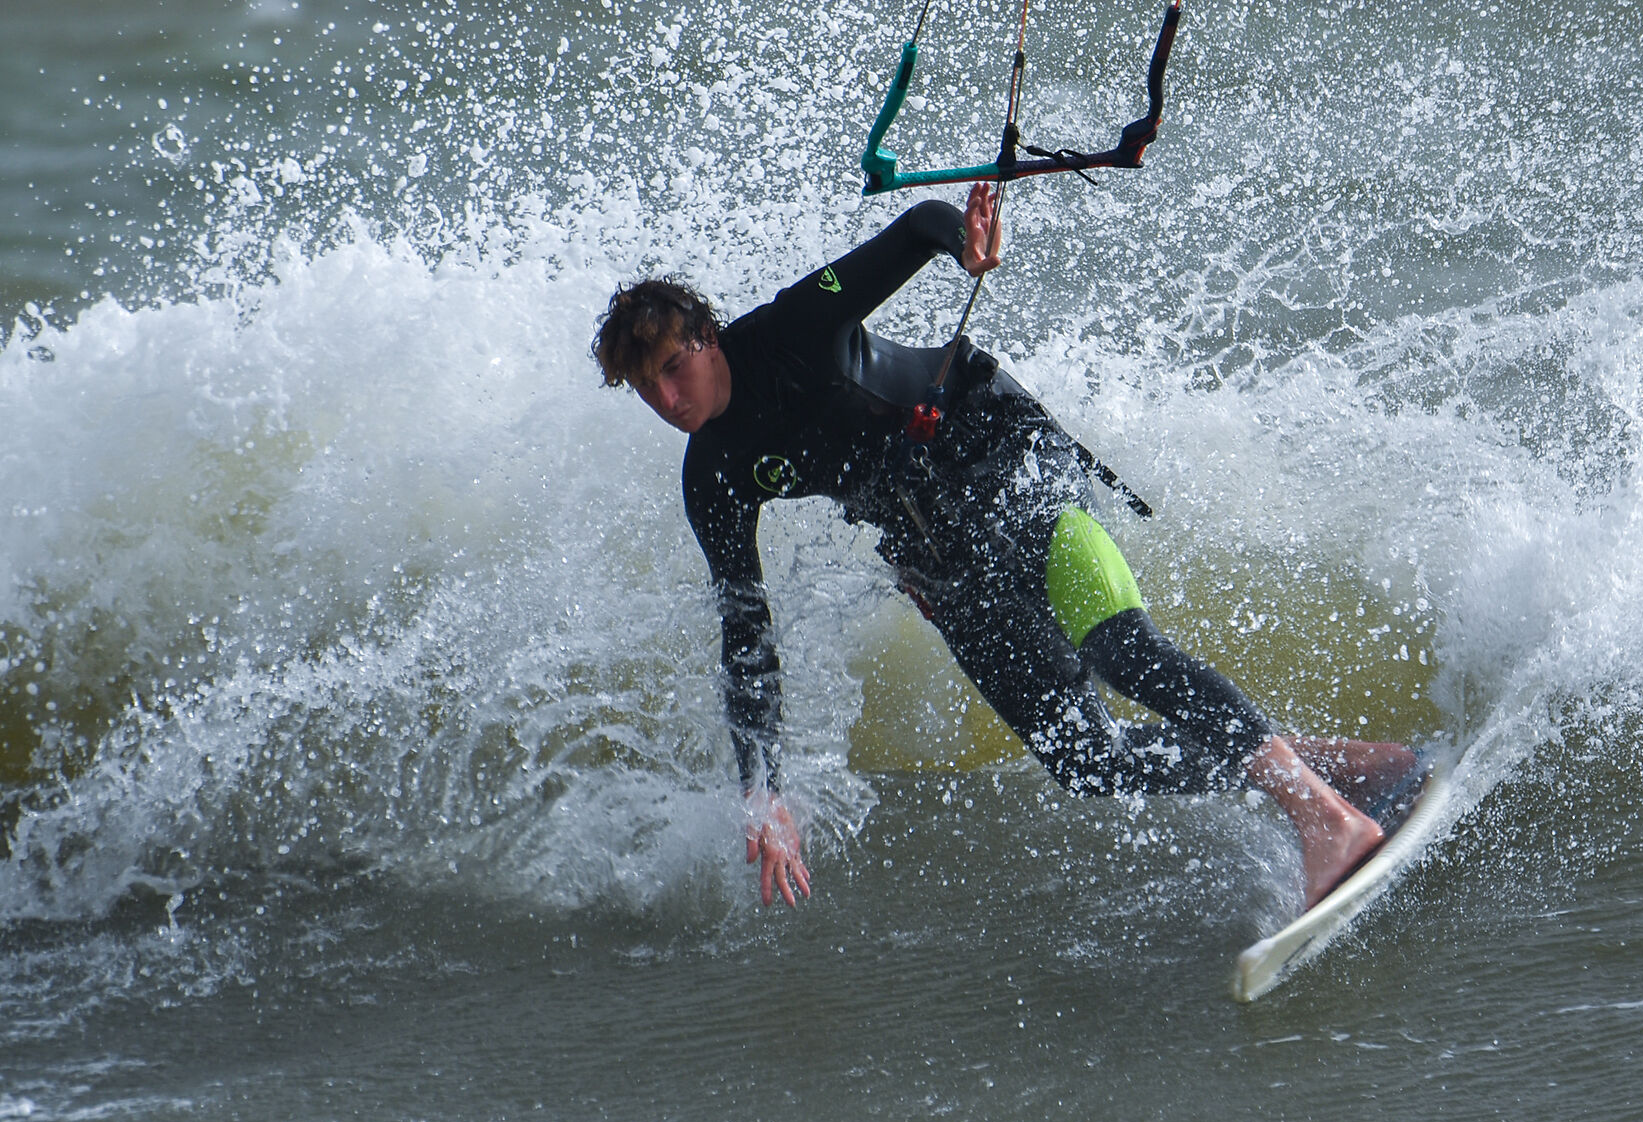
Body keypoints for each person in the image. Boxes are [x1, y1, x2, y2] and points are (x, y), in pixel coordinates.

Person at [592, 183, 1421, 911]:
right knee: (1088, 760)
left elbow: (919, 224)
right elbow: (746, 632)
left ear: (707, 336)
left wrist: (967, 242)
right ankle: (1339, 765)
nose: (668, 398)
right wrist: (762, 789)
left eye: (674, 368)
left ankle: (1325, 820)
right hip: (939, 557)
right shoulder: (715, 476)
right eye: (645, 389)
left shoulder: (793, 328)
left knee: (1122, 650)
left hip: (1011, 463)